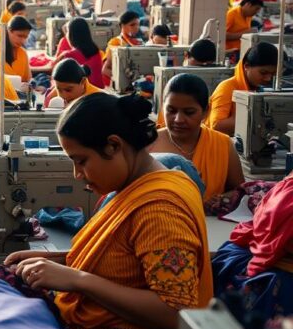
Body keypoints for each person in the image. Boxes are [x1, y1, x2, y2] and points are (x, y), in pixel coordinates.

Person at [7, 93, 211, 329]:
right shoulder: (138, 186)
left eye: (81, 160)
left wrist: (77, 279)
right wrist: (61, 261)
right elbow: (123, 260)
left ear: (114, 146)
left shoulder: (159, 210)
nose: (77, 174)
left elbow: (177, 312)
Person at [149, 74, 244, 203]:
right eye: (171, 111)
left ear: (206, 111)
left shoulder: (223, 144)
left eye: (189, 112)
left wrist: (220, 199)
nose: (178, 120)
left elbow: (240, 191)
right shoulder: (148, 145)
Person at [207, 42, 278, 135]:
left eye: (272, 74)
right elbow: (216, 126)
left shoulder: (257, 89)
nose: (268, 78)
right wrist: (247, 118)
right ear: (246, 66)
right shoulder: (227, 87)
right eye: (263, 72)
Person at [56, 18, 105, 88]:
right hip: (99, 92)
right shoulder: (96, 52)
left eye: (68, 33)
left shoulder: (69, 55)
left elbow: (60, 81)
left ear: (71, 35)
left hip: (81, 94)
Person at [0, 16, 33, 82]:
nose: (22, 41)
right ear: (9, 31)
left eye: (25, 37)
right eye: (19, 36)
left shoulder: (23, 53)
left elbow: (28, 79)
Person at [103, 10, 143, 83]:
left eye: (138, 24)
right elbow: (105, 70)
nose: (136, 27)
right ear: (122, 26)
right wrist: (121, 80)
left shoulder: (138, 42)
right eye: (132, 25)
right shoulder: (115, 42)